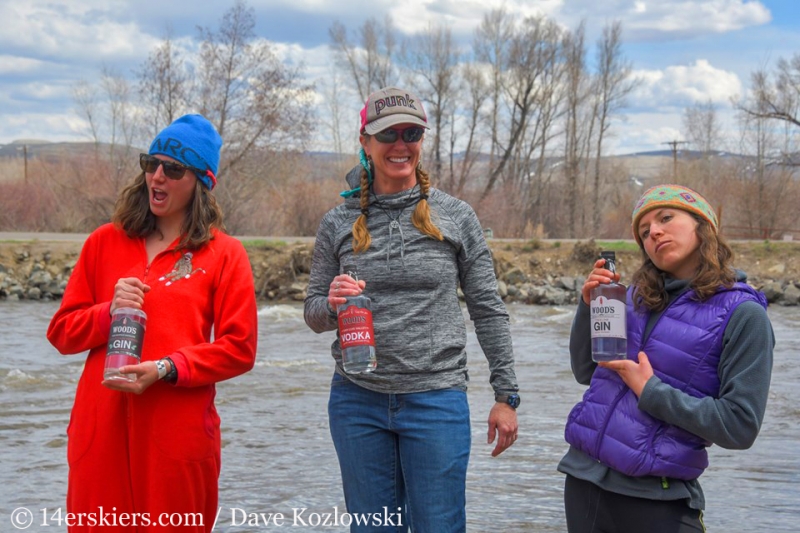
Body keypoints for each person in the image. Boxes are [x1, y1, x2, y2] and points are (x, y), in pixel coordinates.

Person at [304, 86, 520, 532]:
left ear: (422, 141)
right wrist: (331, 303)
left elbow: (487, 308)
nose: (400, 145)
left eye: (411, 133)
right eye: (388, 134)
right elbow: (311, 313)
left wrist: (505, 396)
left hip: (437, 400)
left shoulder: (456, 216)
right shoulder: (337, 222)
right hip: (356, 400)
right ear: (365, 142)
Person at [47, 114, 257, 532]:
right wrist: (107, 313)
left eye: (173, 169)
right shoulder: (103, 241)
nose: (157, 177)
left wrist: (167, 368)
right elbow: (62, 333)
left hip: (176, 438)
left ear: (200, 180)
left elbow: (239, 349)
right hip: (99, 434)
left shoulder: (225, 254)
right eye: (151, 163)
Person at [559, 184, 774, 533]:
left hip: (658, 499)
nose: (654, 232)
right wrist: (588, 308)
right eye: (644, 232)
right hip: (584, 483)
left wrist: (651, 392)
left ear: (703, 225)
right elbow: (586, 370)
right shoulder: (629, 299)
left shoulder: (744, 315)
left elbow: (740, 426)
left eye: (666, 218)